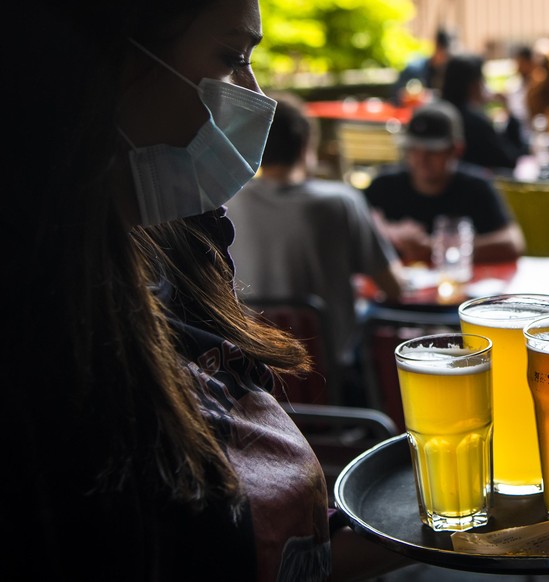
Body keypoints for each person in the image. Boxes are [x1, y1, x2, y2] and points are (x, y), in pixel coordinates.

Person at [8, 1, 408, 580]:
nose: (253, 94)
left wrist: (416, 529)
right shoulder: (42, 349)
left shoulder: (187, 246)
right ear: (105, 63)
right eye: (230, 57)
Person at [226, 92, 405, 385]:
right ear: (305, 146)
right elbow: (394, 287)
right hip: (332, 378)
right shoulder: (340, 202)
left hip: (254, 376)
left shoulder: (227, 204)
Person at [364, 100, 526, 264]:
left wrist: (441, 248)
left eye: (432, 151)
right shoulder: (383, 185)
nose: (421, 159)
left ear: (456, 150)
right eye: (414, 148)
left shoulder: (476, 187)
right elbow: (355, 223)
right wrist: (389, 232)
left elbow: (512, 243)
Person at [441, 53, 527, 173]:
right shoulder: (475, 123)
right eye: (483, 79)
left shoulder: (439, 115)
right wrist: (510, 113)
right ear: (474, 85)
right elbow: (509, 159)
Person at [392, 27, 455, 106]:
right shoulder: (414, 69)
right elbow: (396, 96)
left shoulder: (452, 71)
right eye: (445, 54)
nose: (447, 59)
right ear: (437, 48)